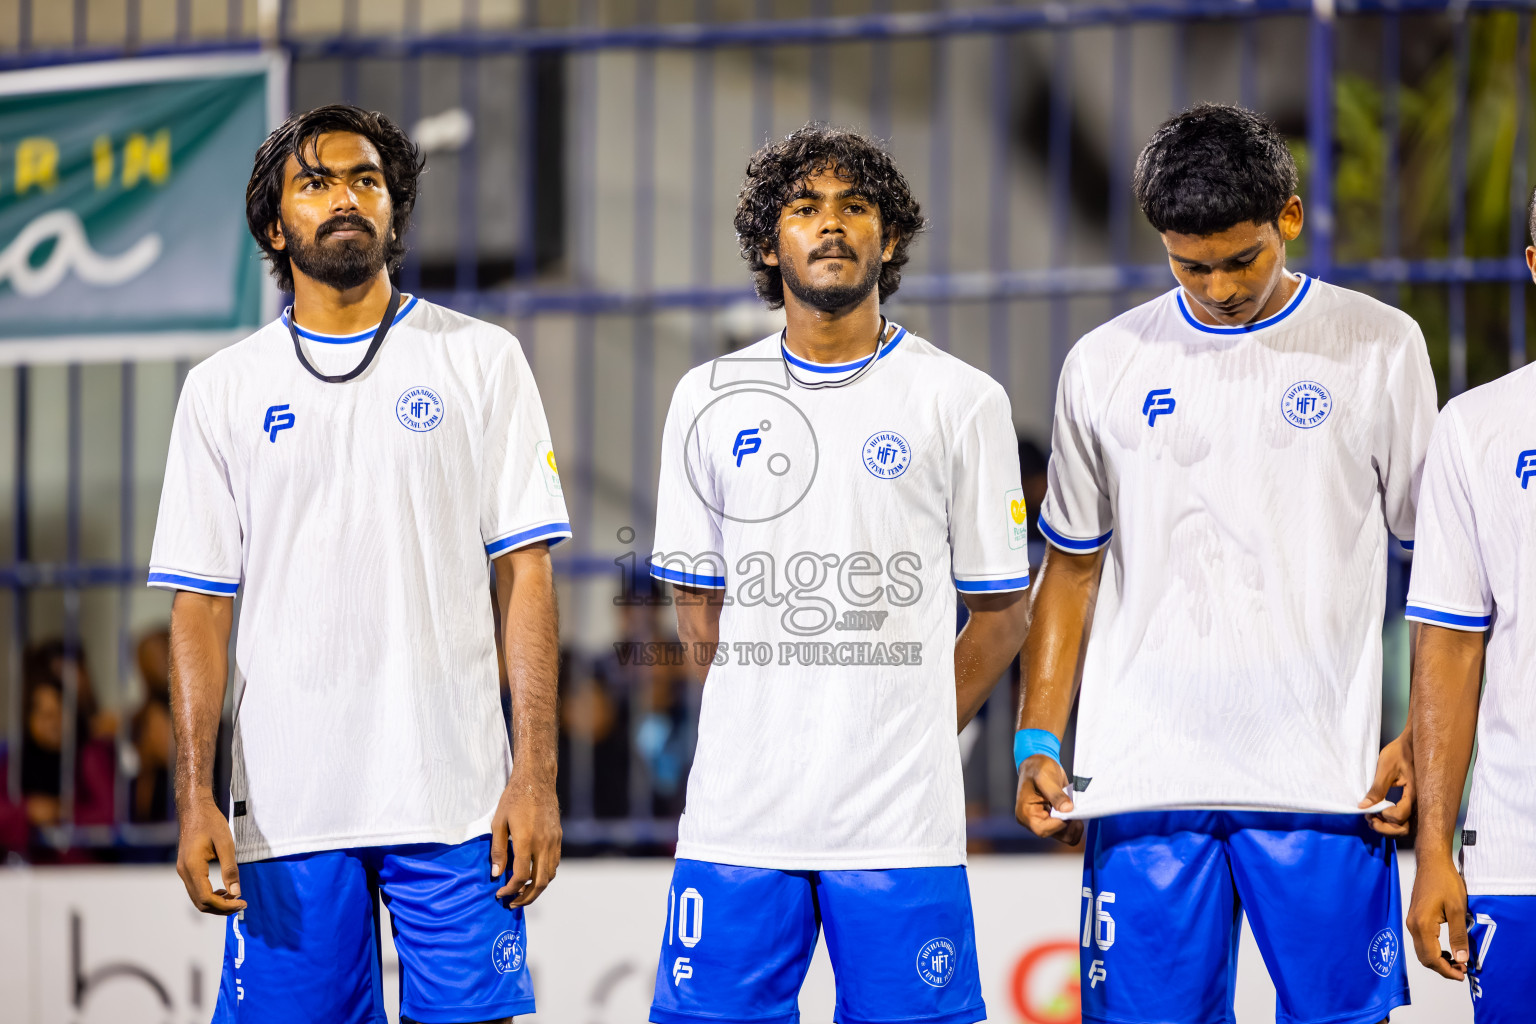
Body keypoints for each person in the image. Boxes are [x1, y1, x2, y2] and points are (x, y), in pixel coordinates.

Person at [1013, 104, 1434, 1024]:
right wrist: (1039, 737)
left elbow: (1439, 575)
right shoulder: (1104, 362)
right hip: (1143, 786)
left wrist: (1424, 735)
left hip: (1325, 786)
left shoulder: (1379, 346)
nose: (1218, 287)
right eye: (1189, 265)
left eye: (1240, 259)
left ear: (1287, 217)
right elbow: (1071, 566)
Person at [149, 104, 568, 1024]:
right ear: (275, 224)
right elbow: (200, 609)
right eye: (318, 182)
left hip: (457, 806)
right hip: (291, 813)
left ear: (394, 213)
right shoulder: (222, 391)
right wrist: (193, 798)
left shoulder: (482, 360)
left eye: (366, 180)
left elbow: (526, 578)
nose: (347, 196)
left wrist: (533, 774)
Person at [646, 124, 1032, 1024]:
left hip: (900, 822)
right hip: (739, 819)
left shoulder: (960, 399)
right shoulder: (706, 397)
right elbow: (695, 607)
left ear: (888, 238)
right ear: (768, 239)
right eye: (804, 207)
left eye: (855, 207)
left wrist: (920, 726)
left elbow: (1003, 614)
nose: (830, 225)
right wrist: (759, 717)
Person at [1402, 191, 1536, 1021]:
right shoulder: (1479, 425)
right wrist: (1434, 851)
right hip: (1522, 850)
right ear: (1533, 264)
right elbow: (1450, 644)